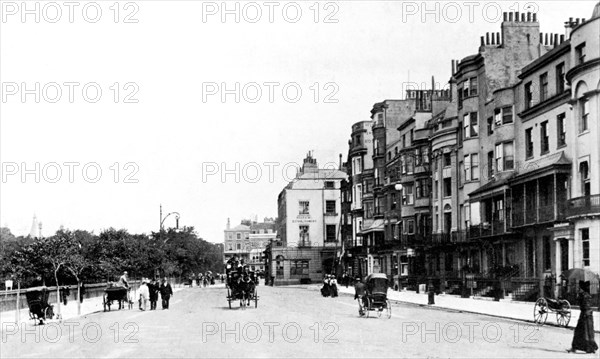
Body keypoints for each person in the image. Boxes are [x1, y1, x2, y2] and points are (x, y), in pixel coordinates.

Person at [569, 280, 598, 354]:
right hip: (587, 315)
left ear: (583, 288)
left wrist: (579, 297)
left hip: (585, 316)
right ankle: (588, 348)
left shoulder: (584, 295)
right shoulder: (586, 295)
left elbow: (585, 306)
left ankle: (580, 347)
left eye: (580, 287)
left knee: (582, 332)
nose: (579, 288)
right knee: (587, 332)